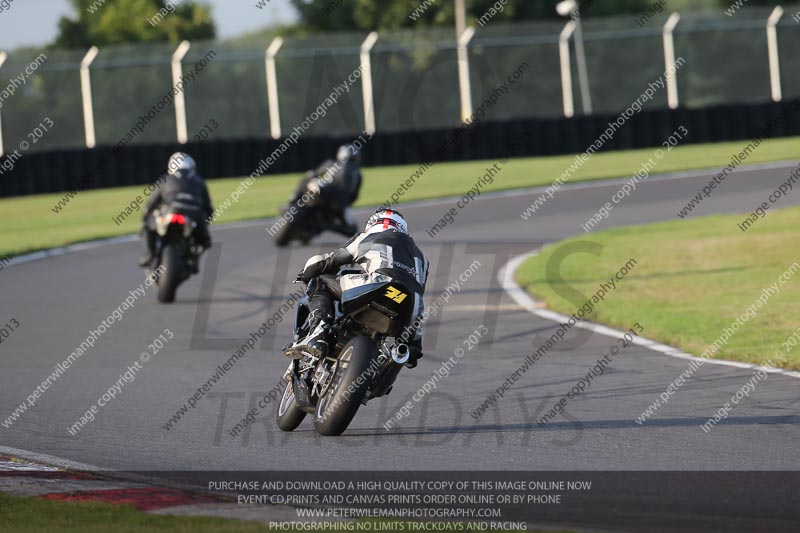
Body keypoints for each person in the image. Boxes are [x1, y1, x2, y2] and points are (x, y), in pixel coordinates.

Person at [285, 208, 428, 368]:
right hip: (411, 305)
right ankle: (386, 371)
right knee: (410, 353)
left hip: (378, 285)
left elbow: (328, 260)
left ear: (372, 224)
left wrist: (306, 273)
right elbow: (419, 288)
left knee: (320, 281)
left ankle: (319, 332)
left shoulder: (365, 237)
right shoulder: (422, 258)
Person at [138, 152, 214, 269]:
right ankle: (193, 258)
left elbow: (150, 204)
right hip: (194, 215)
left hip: (170, 212)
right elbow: (208, 208)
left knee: (148, 226)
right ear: (191, 166)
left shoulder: (165, 180)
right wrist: (204, 222)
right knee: (205, 241)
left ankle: (149, 255)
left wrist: (145, 220)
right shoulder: (199, 181)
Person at [293, 144, 363, 234]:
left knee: (305, 181)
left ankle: (293, 200)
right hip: (337, 202)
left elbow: (313, 174)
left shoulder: (333, 164)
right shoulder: (357, 174)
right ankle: (295, 201)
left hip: (332, 201)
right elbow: (354, 195)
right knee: (351, 228)